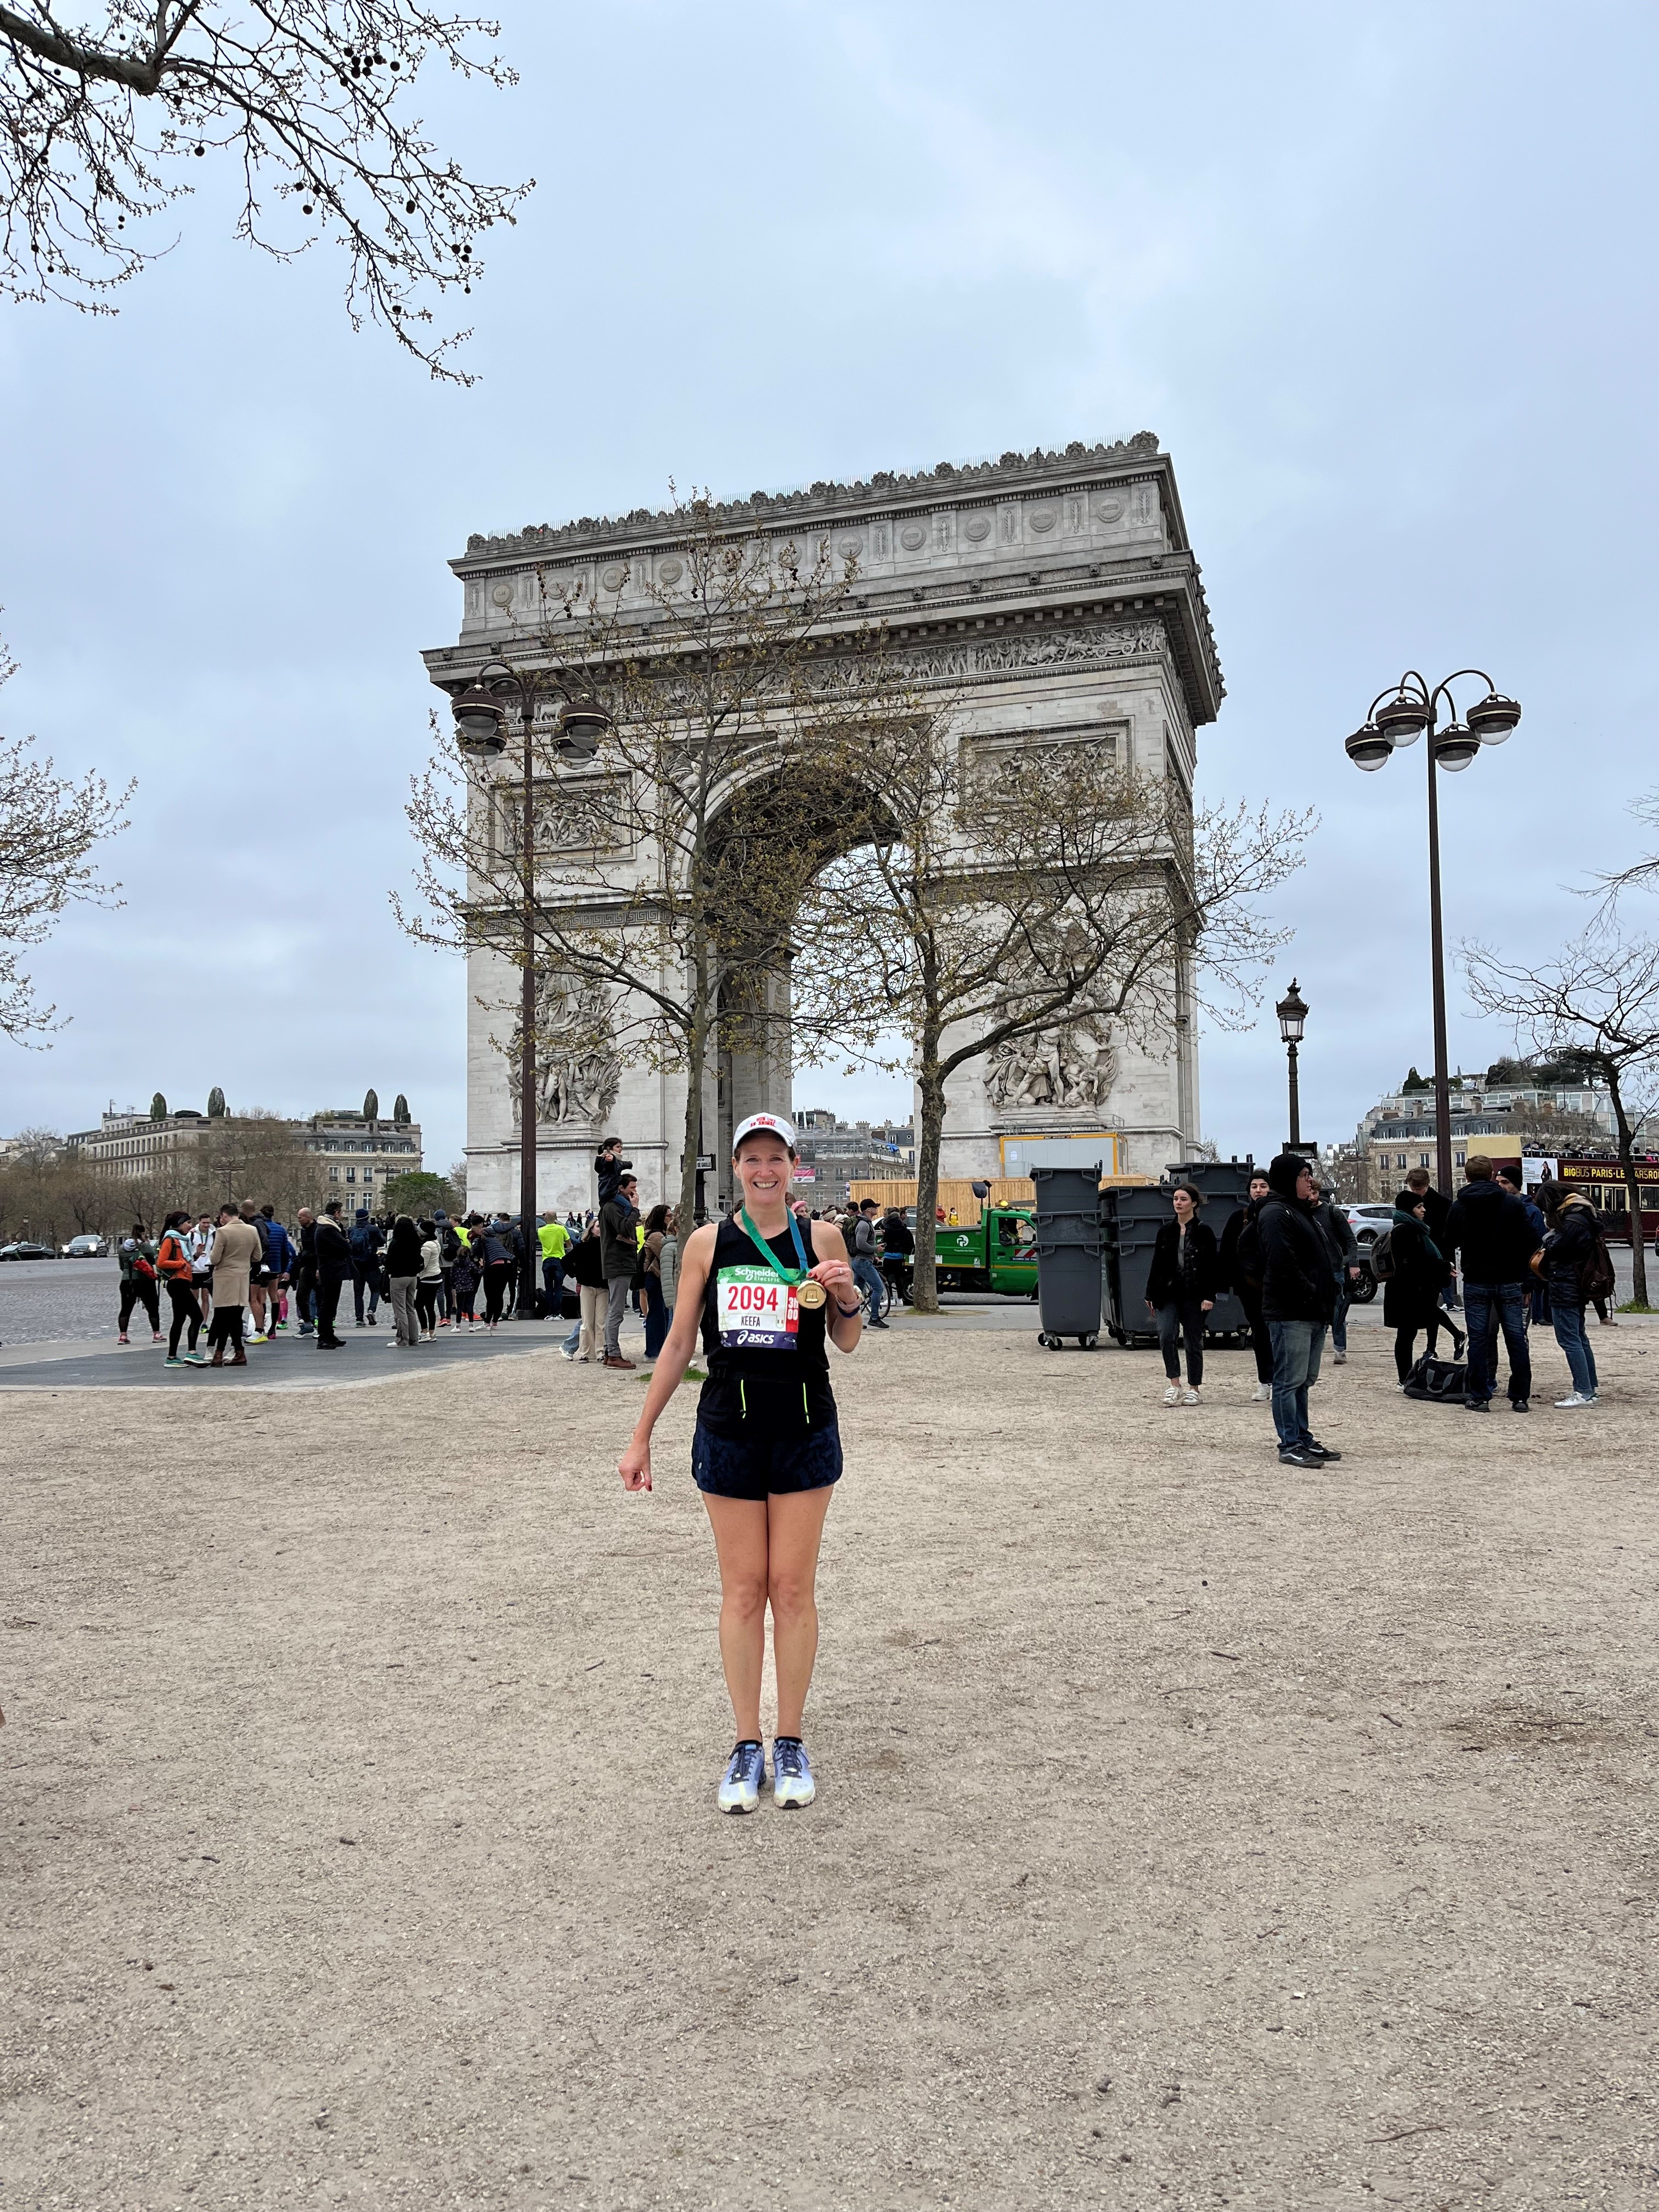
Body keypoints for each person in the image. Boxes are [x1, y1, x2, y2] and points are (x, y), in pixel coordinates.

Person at [618, 1112, 862, 1814]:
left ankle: (790, 1739)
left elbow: (846, 1341)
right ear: (736, 1167)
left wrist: (847, 1296)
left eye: (775, 1157)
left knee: (791, 1590)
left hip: (806, 1423)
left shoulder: (824, 1236)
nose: (764, 1170)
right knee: (742, 1591)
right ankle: (745, 1742)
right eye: (752, 1158)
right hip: (729, 1423)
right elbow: (675, 1347)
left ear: (793, 1164)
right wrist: (641, 1437)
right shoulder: (706, 1243)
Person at [1257, 1154, 1341, 1468]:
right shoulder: (1277, 1213)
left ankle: (1303, 1437)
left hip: (1311, 1311)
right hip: (1292, 1310)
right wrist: (1311, 1294)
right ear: (1289, 1179)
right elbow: (1282, 1262)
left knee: (1303, 1380)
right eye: (1304, 1175)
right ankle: (1289, 1443)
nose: (1310, 1180)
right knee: (1288, 1381)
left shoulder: (1301, 1211)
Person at [1443, 1155, 1537, 1412]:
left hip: (1476, 1278)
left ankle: (1480, 1395)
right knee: (1516, 1338)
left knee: (1479, 1338)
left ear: (1467, 1176)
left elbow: (1448, 1242)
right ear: (1492, 1174)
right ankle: (1520, 1397)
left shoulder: (1460, 1206)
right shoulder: (1512, 1204)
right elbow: (1532, 1240)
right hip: (1509, 1277)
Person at [1144, 1181, 1217, 1404]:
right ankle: (1174, 1384)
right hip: (1167, 1293)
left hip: (1195, 1294)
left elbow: (1212, 1266)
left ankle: (1194, 1387)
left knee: (1193, 1340)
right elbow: (1156, 1263)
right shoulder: (1165, 1231)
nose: (1178, 1203)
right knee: (1166, 1335)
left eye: (1183, 1199)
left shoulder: (1204, 1231)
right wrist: (1150, 1294)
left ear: (1194, 1203)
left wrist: (1209, 1296)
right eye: (1176, 1199)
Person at [1383, 1190, 1458, 1385]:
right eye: (1419, 1207)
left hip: (1409, 1290)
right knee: (1406, 1335)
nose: (1424, 1210)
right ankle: (1404, 1379)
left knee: (1408, 1334)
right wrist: (1444, 1266)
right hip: (1406, 1292)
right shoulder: (1406, 1231)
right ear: (1409, 1209)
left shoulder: (1411, 1228)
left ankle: (1405, 1378)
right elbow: (1414, 1263)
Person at [1537, 1180, 1601, 1407]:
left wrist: (1549, 1241)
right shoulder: (1584, 1215)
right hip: (1577, 1282)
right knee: (1579, 1337)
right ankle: (1589, 1387)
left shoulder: (1572, 1222)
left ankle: (1583, 1390)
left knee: (1569, 1339)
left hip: (1565, 1283)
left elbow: (1557, 1248)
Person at [1219, 1171, 1273, 1403]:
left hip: (1277, 1286)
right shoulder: (1238, 1217)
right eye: (1254, 1186)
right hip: (1250, 1288)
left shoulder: (1278, 1214)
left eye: (1263, 1186)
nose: (1258, 1190)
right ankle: (1265, 1382)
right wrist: (1228, 1284)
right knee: (1260, 1334)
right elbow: (1226, 1253)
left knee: (1281, 1334)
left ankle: (1285, 1382)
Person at [1310, 1180, 1364, 1365]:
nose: (1311, 1197)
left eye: (1314, 1193)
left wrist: (1353, 1264)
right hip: (1313, 1272)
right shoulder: (1300, 1213)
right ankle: (1316, 1349)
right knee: (1316, 1313)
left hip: (1335, 1269)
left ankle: (1339, 1350)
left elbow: (1351, 1239)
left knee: (1337, 1313)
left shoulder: (1332, 1212)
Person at [206, 1204, 259, 1366]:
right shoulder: (252, 1230)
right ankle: (238, 1352)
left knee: (223, 1316)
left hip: (225, 1277)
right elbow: (257, 1256)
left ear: (224, 1216)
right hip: (243, 1276)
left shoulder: (222, 1232)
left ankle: (219, 1353)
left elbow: (214, 1259)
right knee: (235, 1316)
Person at [600, 1172, 641, 1370]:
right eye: (632, 1188)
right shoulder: (612, 1207)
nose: (635, 1192)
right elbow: (624, 1229)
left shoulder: (615, 1207)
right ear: (621, 1188)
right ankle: (613, 1354)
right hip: (619, 1264)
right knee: (616, 1311)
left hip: (620, 1263)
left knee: (615, 1310)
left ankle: (610, 1353)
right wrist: (634, 1210)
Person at [1404, 1166, 1458, 1313]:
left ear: (1427, 1184)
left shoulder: (1444, 1204)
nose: (1415, 1192)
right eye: (1413, 1189)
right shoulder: (1412, 1203)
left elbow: (1450, 1232)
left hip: (1438, 1252)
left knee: (1430, 1303)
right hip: (1423, 1254)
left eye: (1418, 1189)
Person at [156, 1210, 206, 1367]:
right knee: (197, 1317)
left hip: (181, 1282)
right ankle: (191, 1352)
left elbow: (185, 1260)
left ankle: (172, 1357)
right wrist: (181, 1264)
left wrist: (196, 1256)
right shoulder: (170, 1239)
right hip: (177, 1283)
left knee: (179, 1320)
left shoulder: (180, 1240)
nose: (191, 1227)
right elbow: (161, 1262)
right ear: (180, 1224)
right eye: (188, 1223)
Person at [312, 1200, 353, 1350]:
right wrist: (347, 1241)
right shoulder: (328, 1229)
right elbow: (346, 1247)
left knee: (330, 1304)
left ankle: (329, 1334)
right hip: (331, 1269)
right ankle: (324, 1337)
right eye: (341, 1212)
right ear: (336, 1213)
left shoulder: (327, 1227)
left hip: (331, 1269)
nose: (342, 1215)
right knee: (328, 1304)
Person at [564, 1215, 606, 1361]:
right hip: (587, 1287)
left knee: (601, 1322)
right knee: (587, 1322)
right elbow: (566, 1261)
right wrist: (577, 1275)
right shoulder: (583, 1246)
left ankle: (601, 1352)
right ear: (592, 1229)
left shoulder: (607, 1247)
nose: (600, 1229)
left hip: (603, 1288)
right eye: (598, 1226)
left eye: (602, 1227)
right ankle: (585, 1352)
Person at [116, 1224, 162, 1345]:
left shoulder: (122, 1249)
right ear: (142, 1233)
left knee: (125, 1309)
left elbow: (122, 1266)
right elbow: (154, 1260)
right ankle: (157, 1334)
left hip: (127, 1281)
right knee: (152, 1308)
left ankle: (123, 1336)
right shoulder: (145, 1246)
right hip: (145, 1280)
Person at [383, 1213, 424, 1346]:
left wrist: (382, 1258)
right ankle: (414, 1338)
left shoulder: (396, 1243)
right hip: (413, 1277)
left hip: (398, 1277)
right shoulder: (416, 1241)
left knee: (400, 1309)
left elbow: (389, 1261)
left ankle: (402, 1339)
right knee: (410, 1308)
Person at [640, 1204, 674, 1358]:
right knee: (657, 1313)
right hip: (655, 1277)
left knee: (663, 1313)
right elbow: (666, 1256)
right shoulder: (656, 1236)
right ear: (662, 1218)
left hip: (659, 1277)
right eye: (669, 1216)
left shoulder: (660, 1234)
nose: (672, 1218)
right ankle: (653, 1351)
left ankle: (660, 1349)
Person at [848, 1199, 888, 1328]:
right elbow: (861, 1244)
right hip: (863, 1262)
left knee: (858, 1292)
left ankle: (854, 1320)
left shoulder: (865, 1223)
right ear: (868, 1210)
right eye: (874, 1207)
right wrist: (876, 1249)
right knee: (878, 1288)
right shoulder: (864, 1225)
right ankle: (874, 1318)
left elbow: (866, 1244)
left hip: (861, 1261)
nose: (876, 1209)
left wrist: (875, 1256)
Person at [348, 1207, 385, 1327]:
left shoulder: (351, 1229)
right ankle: (371, 1310)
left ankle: (359, 1319)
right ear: (367, 1217)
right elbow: (382, 1242)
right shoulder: (373, 1229)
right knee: (376, 1289)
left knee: (358, 1293)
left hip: (356, 1265)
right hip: (371, 1264)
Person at [414, 1219, 443, 1339]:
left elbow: (423, 1264)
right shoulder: (435, 1242)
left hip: (427, 1278)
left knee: (419, 1306)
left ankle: (424, 1331)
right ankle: (432, 1332)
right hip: (436, 1276)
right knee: (430, 1307)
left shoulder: (426, 1246)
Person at [881, 1206, 915, 1309]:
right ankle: (900, 1300)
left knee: (888, 1279)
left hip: (888, 1256)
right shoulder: (904, 1228)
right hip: (900, 1257)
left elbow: (885, 1242)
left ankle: (890, 1299)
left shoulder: (888, 1228)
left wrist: (885, 1235)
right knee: (899, 1278)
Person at [292, 1206, 318, 1336]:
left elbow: (320, 1250)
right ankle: (308, 1324)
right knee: (301, 1296)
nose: (299, 1220)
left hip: (316, 1267)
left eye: (300, 1217)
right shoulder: (303, 1231)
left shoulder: (317, 1230)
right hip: (307, 1267)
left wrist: (319, 1268)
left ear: (308, 1217)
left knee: (320, 1297)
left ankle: (321, 1325)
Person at [539, 1210, 569, 1319]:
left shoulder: (540, 1231)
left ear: (546, 1218)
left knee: (549, 1289)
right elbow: (569, 1244)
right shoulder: (561, 1229)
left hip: (546, 1260)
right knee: (558, 1289)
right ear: (556, 1218)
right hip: (559, 1260)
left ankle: (549, 1313)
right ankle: (557, 1313)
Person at [189, 1212, 216, 1327]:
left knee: (205, 1297)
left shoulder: (213, 1234)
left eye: (208, 1223)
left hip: (206, 1270)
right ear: (199, 1222)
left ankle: (204, 1323)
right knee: (194, 1299)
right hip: (194, 1270)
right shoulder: (191, 1234)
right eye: (204, 1223)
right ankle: (195, 1321)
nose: (206, 1225)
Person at [450, 1234, 480, 1330]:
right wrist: (482, 1267)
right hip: (470, 1287)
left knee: (460, 1308)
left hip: (459, 1287)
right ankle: (471, 1325)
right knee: (470, 1306)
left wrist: (453, 1285)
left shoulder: (455, 1263)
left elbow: (452, 1276)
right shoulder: (470, 1263)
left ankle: (458, 1326)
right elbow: (478, 1273)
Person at [594, 1137, 629, 1211]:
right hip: (611, 1193)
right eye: (618, 1147)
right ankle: (627, 1222)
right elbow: (612, 1165)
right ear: (610, 1148)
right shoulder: (609, 1159)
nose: (620, 1149)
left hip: (607, 1193)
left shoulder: (602, 1159)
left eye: (621, 1147)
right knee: (628, 1206)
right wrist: (611, 1159)